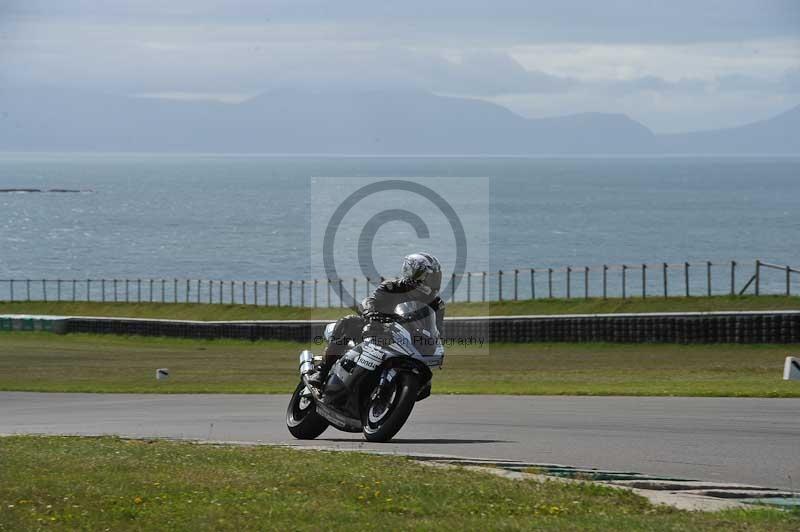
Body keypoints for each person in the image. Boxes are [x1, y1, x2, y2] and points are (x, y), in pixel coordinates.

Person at [305, 252, 446, 387]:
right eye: (429, 278)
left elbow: (437, 329)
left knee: (425, 386)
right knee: (348, 322)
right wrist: (370, 312)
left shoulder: (436, 304)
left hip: (407, 339)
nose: (433, 282)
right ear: (414, 274)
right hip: (378, 328)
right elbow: (370, 301)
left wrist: (435, 341)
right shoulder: (392, 287)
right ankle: (322, 371)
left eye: (435, 278)